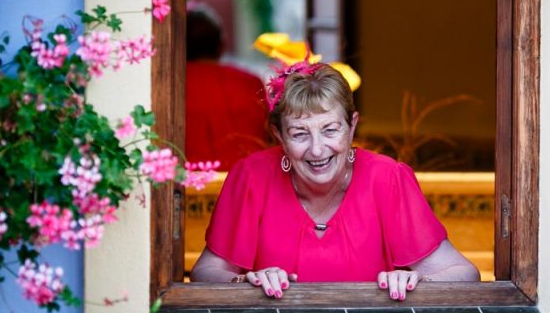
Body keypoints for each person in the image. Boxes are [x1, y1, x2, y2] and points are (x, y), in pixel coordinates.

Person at [190, 62, 480, 300]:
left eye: (330, 130)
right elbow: (205, 273)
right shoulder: (251, 178)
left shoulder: (387, 178)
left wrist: (414, 279)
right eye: (300, 134)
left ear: (352, 126)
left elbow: (464, 274)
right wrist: (246, 281)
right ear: (279, 137)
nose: (317, 149)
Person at [185, 6, 270, 170]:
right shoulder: (250, 83)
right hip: (247, 184)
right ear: (222, 45)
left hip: (185, 185)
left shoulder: (170, 87)